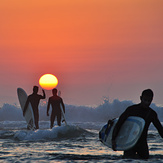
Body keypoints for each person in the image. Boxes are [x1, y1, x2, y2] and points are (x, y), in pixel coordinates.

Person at [112, 89, 163, 159]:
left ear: (152, 100)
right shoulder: (131, 110)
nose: (146, 103)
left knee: (145, 159)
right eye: (145, 100)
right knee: (128, 160)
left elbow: (160, 129)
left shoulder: (152, 114)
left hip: (142, 143)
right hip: (130, 143)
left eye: (149, 101)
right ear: (141, 98)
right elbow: (119, 123)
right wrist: (113, 139)